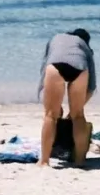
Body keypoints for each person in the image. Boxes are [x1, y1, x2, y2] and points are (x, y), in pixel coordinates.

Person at [39, 29, 95, 167]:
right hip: (80, 68)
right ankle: (80, 160)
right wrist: (74, 112)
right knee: (79, 117)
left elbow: (44, 68)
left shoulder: (56, 38)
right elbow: (91, 87)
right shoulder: (85, 48)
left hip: (55, 66)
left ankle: (44, 161)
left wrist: (53, 108)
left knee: (50, 116)